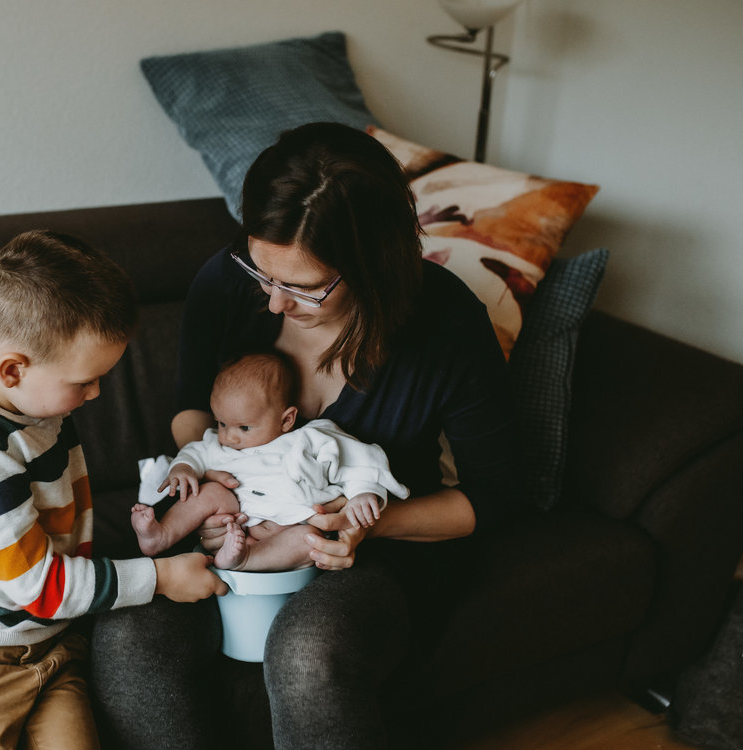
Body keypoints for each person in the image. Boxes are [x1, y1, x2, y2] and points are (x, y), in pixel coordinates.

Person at [91, 123, 516, 749]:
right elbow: (189, 412)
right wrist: (209, 485)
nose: (272, 304)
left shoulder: (445, 324)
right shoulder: (226, 284)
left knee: (308, 652)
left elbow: (494, 497)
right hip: (235, 523)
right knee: (129, 636)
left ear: (373, 264)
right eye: (262, 273)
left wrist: (368, 525)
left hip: (380, 545)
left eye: (305, 288)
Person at [0, 230, 228, 750]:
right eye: (84, 380)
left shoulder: (40, 408)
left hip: (46, 647)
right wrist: (160, 577)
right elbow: (39, 586)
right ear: (13, 370)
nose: (97, 392)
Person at [131, 351, 410, 571]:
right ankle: (161, 535)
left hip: (288, 526)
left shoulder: (309, 439)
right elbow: (195, 452)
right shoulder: (221, 443)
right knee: (210, 492)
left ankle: (246, 558)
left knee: (310, 540)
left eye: (244, 427)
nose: (229, 436)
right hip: (235, 518)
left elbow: (357, 461)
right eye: (221, 422)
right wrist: (183, 468)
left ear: (286, 419)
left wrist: (362, 493)